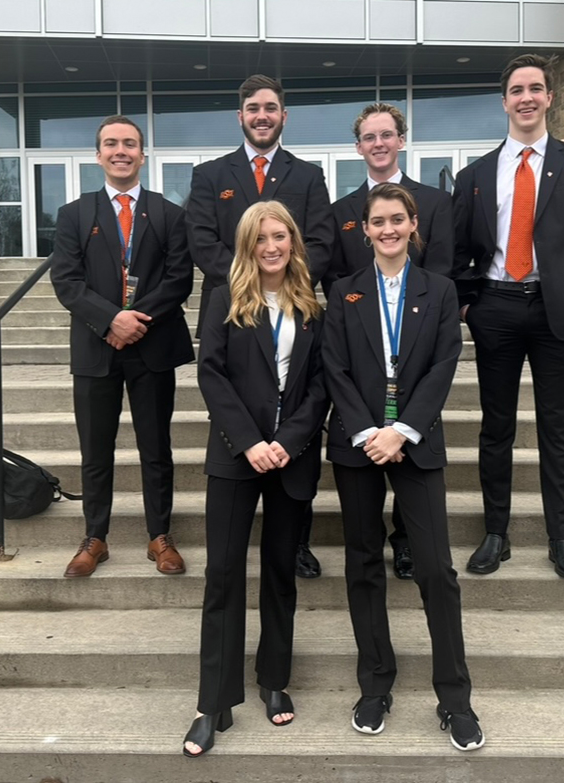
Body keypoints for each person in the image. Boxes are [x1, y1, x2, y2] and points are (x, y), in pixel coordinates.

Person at [323, 183, 483, 751]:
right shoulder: (343, 293)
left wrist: (402, 431)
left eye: (398, 219)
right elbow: (334, 369)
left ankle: (455, 697)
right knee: (364, 565)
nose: (388, 229)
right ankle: (375, 685)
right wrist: (370, 432)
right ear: (363, 230)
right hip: (357, 445)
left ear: (414, 224)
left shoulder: (438, 290)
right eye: (377, 221)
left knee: (437, 568)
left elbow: (444, 362)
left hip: (415, 441)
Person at [452, 53, 564, 579]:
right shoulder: (476, 173)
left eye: (536, 88)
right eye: (517, 89)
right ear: (504, 102)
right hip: (496, 307)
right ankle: (495, 533)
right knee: (496, 426)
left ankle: (560, 538)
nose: (527, 97)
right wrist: (470, 304)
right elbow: (458, 250)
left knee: (557, 426)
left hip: (556, 311)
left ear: (549, 97)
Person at [184, 200, 329, 758]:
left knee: (279, 575)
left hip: (291, 459)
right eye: (261, 238)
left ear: (292, 241)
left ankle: (274, 679)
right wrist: (249, 442)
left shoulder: (312, 305)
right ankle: (212, 703)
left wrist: (288, 442)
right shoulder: (224, 298)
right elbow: (211, 374)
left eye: (281, 236)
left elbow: (320, 385)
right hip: (235, 457)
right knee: (222, 575)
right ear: (248, 245)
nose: (272, 246)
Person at [187, 73, 334, 580]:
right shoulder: (210, 174)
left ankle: (295, 543)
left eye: (271, 107)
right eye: (253, 108)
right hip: (234, 311)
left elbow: (320, 241)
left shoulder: (308, 175)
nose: (262, 115)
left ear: (283, 116)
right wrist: (249, 279)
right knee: (243, 408)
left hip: (294, 302)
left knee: (296, 409)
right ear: (241, 116)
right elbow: (203, 241)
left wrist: (283, 277)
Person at [51, 115, 194, 578]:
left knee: (156, 448)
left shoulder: (169, 214)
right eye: (111, 144)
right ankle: (95, 537)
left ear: (142, 154)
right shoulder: (74, 214)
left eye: (129, 144)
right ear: (98, 155)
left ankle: (160, 537)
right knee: (96, 450)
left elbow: (179, 280)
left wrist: (133, 321)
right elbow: (67, 281)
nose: (120, 151)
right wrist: (111, 319)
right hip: (96, 349)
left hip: (152, 348)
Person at [327, 102, 456, 581]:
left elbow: (440, 272)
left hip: (418, 344)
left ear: (401, 140)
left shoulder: (435, 203)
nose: (378, 143)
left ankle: (406, 542)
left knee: (414, 473)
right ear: (358, 146)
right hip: (363, 354)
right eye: (369, 136)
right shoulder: (341, 211)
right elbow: (339, 280)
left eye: (387, 134)